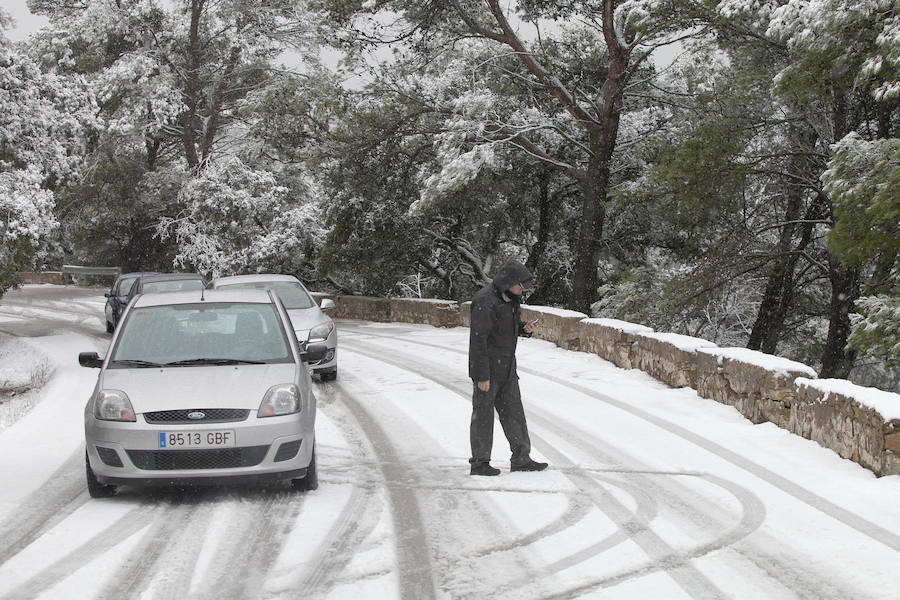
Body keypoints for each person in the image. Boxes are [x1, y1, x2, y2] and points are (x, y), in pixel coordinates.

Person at [468, 258, 548, 476]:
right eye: (520, 284)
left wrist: (524, 328)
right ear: (508, 281)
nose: (522, 289)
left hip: (507, 368)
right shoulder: (485, 300)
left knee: (514, 413)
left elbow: (505, 328)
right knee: (483, 415)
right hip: (488, 369)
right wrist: (481, 375)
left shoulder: (510, 300)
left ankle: (521, 458)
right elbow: (479, 340)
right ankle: (480, 463)